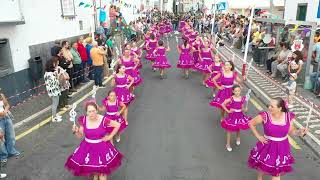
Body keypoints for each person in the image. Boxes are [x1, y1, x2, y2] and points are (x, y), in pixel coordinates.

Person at [248, 97, 307, 180]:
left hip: (282, 147)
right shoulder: (264, 116)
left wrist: (300, 132)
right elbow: (251, 123)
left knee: (277, 173)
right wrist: (259, 136)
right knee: (262, 168)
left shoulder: (288, 117)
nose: (269, 108)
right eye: (269, 105)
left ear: (280, 108)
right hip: (267, 146)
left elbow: (292, 131)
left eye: (272, 106)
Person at [65, 101, 122, 179]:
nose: (92, 113)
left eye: (93, 111)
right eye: (89, 111)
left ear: (97, 110)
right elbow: (80, 136)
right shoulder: (83, 120)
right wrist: (76, 131)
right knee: (94, 172)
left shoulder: (103, 120)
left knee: (102, 173)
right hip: (88, 148)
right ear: (86, 112)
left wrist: (110, 136)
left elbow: (117, 125)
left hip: (101, 148)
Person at [221, 85, 251, 152]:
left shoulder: (242, 98)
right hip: (232, 116)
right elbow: (223, 104)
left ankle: (238, 137)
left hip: (240, 115)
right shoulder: (231, 98)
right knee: (229, 130)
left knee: (238, 126)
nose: (237, 92)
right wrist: (228, 111)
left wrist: (245, 110)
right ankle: (228, 144)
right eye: (236, 91)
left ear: (240, 91)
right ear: (233, 91)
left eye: (239, 91)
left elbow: (242, 108)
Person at [0, 89, 20, 165]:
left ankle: (11, 151)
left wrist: (5, 111)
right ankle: (3, 156)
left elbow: (7, 105)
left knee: (11, 136)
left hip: (6, 117)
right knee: (1, 140)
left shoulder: (1, 95)